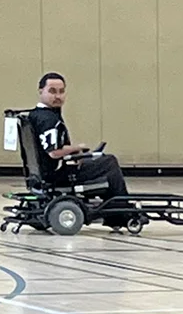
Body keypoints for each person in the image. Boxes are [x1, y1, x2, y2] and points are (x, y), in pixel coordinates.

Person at [29, 72, 134, 222]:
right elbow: (53, 152)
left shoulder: (35, 115)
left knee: (99, 161)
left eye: (61, 91)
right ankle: (121, 214)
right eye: (52, 91)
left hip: (43, 173)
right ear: (41, 92)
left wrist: (75, 151)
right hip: (56, 174)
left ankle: (115, 210)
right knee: (109, 162)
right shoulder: (49, 120)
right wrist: (77, 147)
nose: (57, 96)